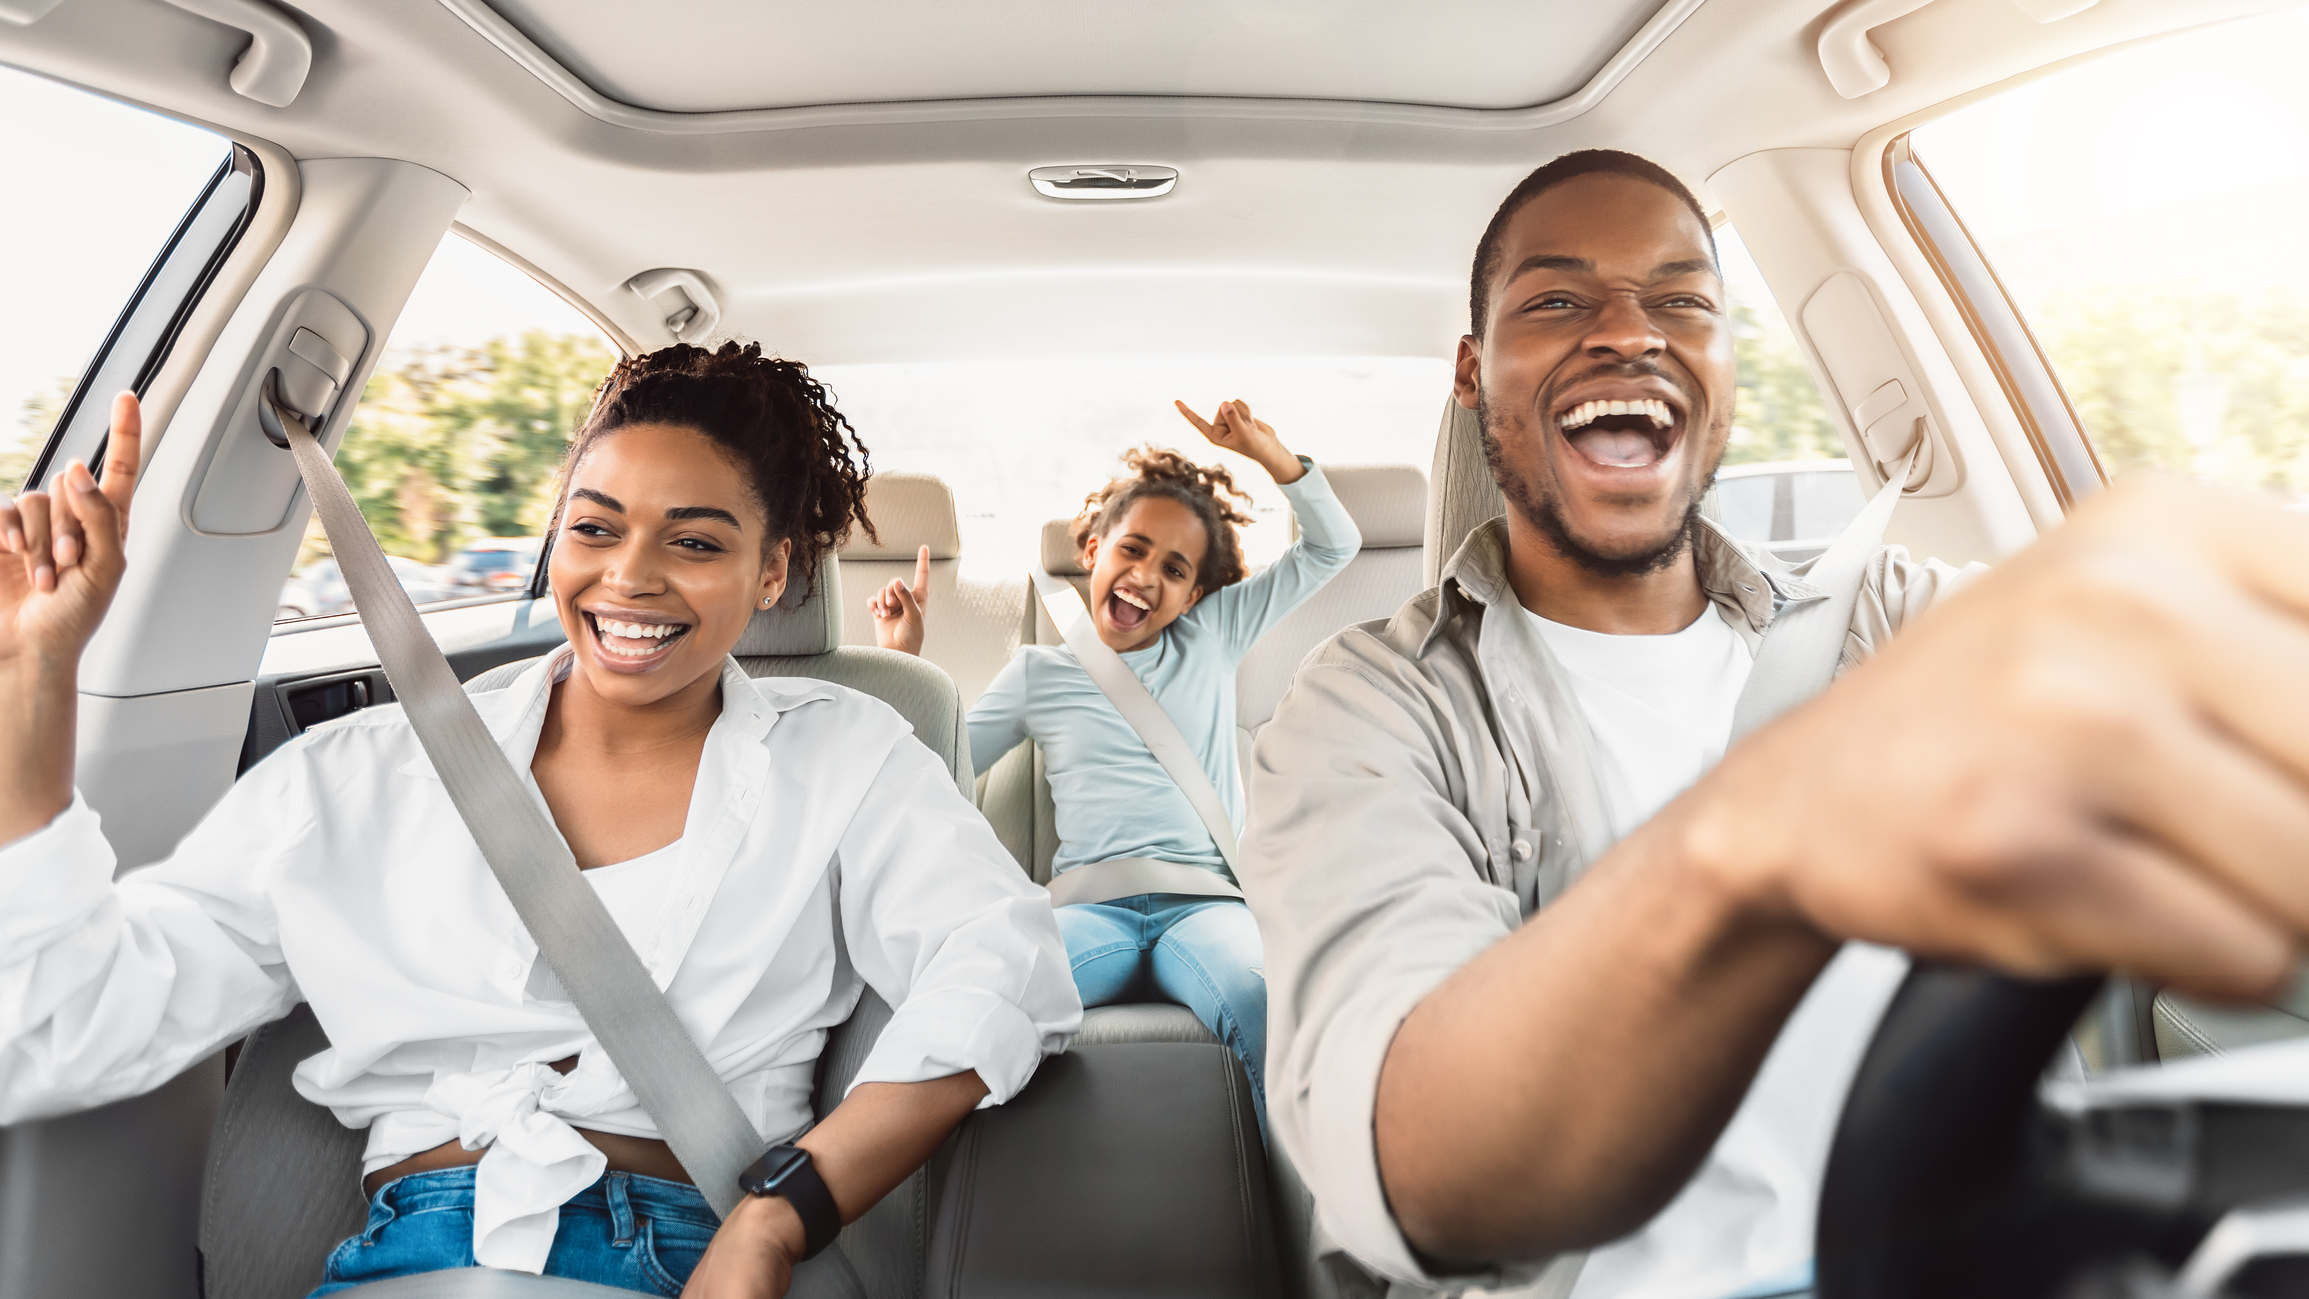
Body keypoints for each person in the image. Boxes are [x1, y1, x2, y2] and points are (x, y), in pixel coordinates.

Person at [1242, 147, 2309, 1299]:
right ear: (1471, 369)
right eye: (1556, 300)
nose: (1628, 333)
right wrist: (1762, 839)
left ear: (1722, 364)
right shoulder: (1366, 709)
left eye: (1681, 302)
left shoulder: (1898, 622)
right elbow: (1417, 1165)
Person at [0, 342, 1081, 1299]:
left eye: (695, 544)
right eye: (594, 528)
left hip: (679, 1252)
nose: (630, 577)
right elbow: (59, 1024)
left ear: (774, 573)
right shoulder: (358, 774)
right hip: (398, 1257)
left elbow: (1005, 963)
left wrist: (776, 1213)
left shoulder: (845, 754)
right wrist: (38, 672)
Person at [869, 401, 1359, 1131]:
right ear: (1093, 548)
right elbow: (940, 775)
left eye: (1173, 569)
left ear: (1196, 594)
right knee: (984, 994)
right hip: (1086, 912)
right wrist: (898, 661)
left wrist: (1270, 455)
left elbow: (1332, 546)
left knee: (1265, 998)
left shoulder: (1213, 635)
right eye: (1131, 550)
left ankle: (1320, 1217)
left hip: (1207, 908)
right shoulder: (1039, 670)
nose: (1144, 577)